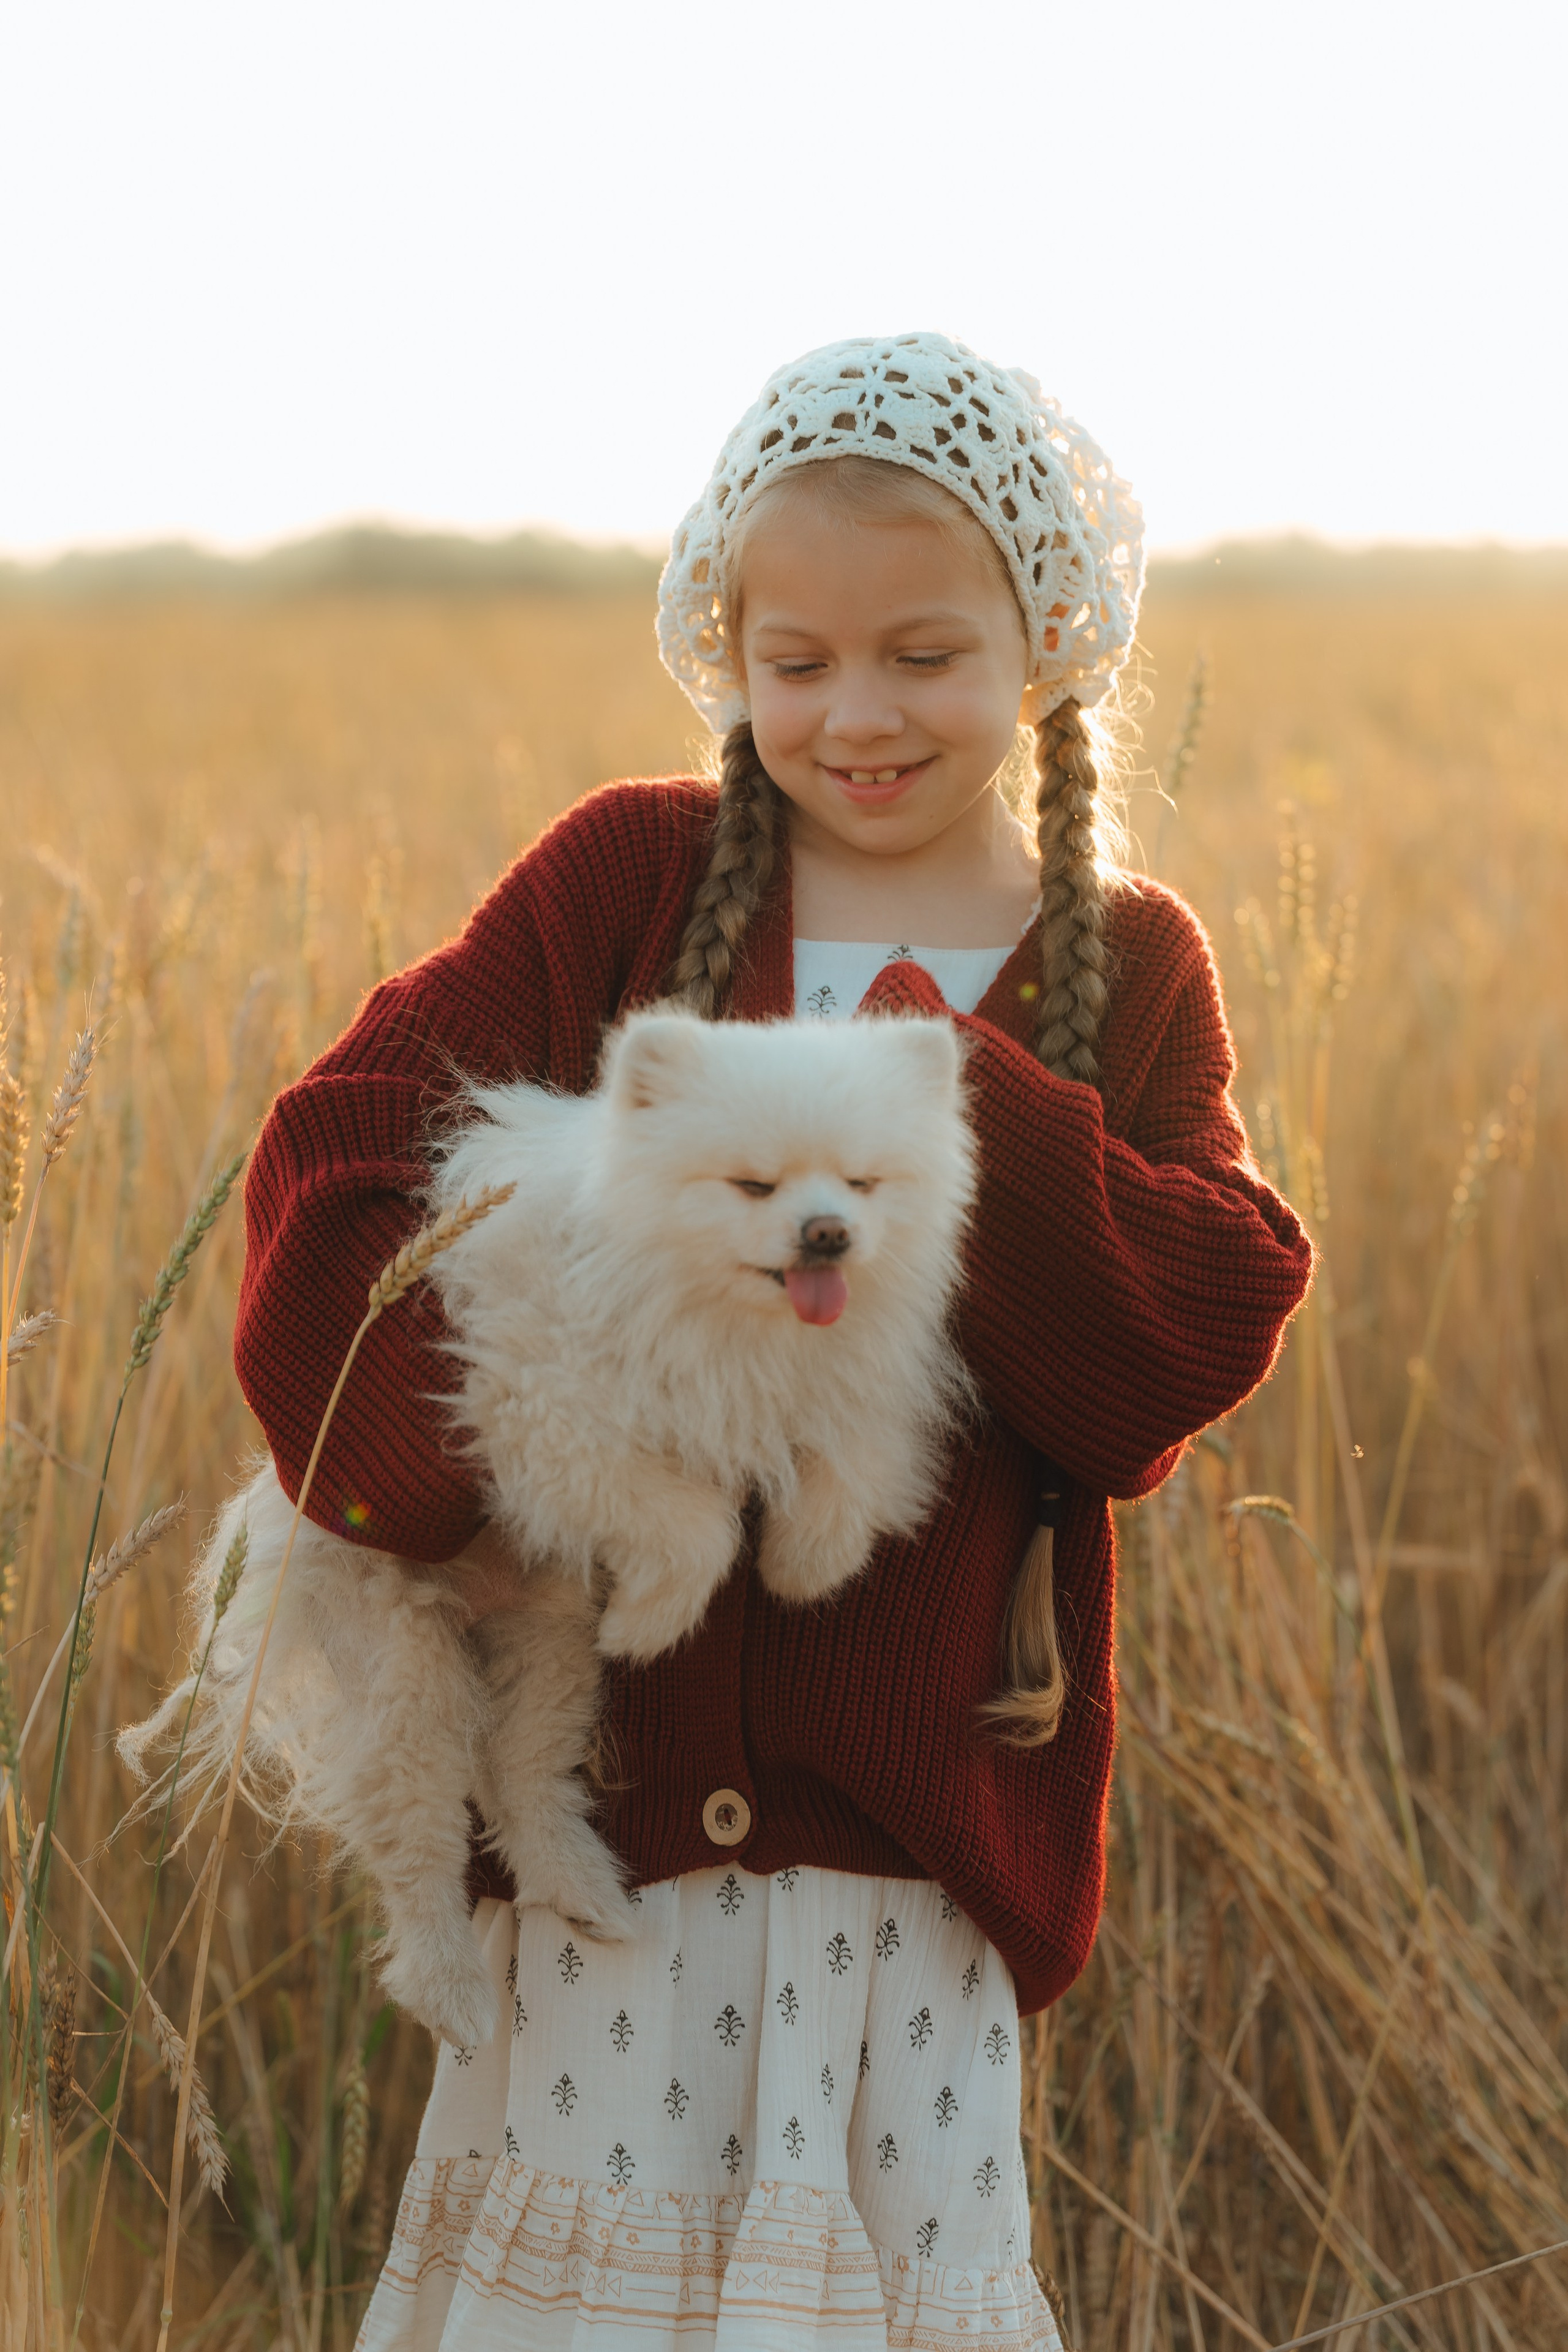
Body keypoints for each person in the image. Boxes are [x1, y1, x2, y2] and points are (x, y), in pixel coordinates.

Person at [235, 332, 1314, 2351]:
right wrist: (445, 1494)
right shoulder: (629, 887)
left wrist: (947, 1107)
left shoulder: (1128, 965)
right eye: (793, 659)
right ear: (725, 648)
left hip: (903, 1879)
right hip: (606, 1867)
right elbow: (339, 1156)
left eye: (924, 653)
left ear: (1048, 637)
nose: (857, 714)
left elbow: (1192, 1326)